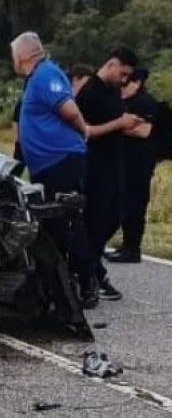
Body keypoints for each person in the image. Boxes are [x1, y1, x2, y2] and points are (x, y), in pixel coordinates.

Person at [11, 33, 95, 307]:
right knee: (52, 227)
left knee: (68, 222)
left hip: (61, 160)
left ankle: (87, 282)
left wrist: (84, 130)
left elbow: (69, 110)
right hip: (45, 165)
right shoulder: (34, 79)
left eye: (13, 54)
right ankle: (60, 284)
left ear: (24, 54)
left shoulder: (47, 74)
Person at [75, 47, 142, 302]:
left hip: (115, 161)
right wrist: (120, 123)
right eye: (122, 73)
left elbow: (115, 118)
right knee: (97, 218)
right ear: (112, 64)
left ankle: (92, 263)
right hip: (94, 163)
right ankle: (90, 272)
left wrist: (127, 122)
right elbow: (85, 130)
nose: (123, 80)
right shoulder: (90, 91)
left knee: (117, 214)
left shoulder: (114, 90)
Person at [107, 67, 160, 263]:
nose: (121, 87)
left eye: (125, 83)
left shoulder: (145, 103)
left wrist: (113, 127)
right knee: (124, 204)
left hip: (140, 163)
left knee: (135, 206)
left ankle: (132, 249)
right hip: (126, 161)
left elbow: (144, 131)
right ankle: (127, 244)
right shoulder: (126, 103)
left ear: (137, 83)